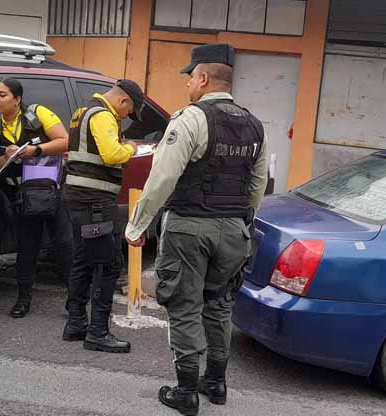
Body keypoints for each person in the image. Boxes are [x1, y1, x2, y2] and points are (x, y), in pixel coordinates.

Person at [124, 44, 268, 416]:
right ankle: (216, 383)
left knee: (185, 306)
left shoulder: (191, 118)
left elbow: (163, 177)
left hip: (190, 227)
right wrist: (242, 222)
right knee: (219, 304)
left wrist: (137, 225)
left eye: (191, 77)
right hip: (235, 230)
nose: (188, 84)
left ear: (203, 78)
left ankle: (186, 391)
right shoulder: (255, 125)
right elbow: (257, 184)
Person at [61, 80, 145, 353]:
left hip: (77, 199)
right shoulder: (102, 115)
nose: (125, 117)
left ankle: (75, 324)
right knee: (108, 265)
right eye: (128, 112)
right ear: (123, 102)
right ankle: (98, 332)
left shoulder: (82, 112)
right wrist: (130, 148)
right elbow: (111, 154)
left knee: (82, 260)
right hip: (94, 202)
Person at [0, 78, 73, 318]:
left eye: (2, 95)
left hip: (50, 191)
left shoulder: (37, 113)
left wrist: (33, 151)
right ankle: (23, 299)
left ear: (17, 99)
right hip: (21, 198)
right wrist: (10, 156)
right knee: (27, 249)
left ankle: (75, 300)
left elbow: (65, 141)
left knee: (64, 246)